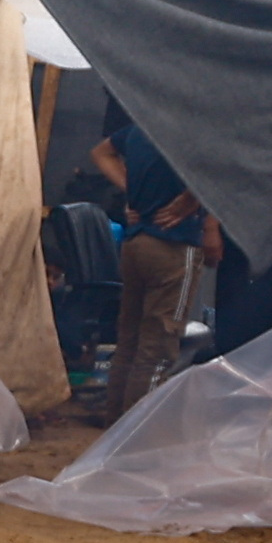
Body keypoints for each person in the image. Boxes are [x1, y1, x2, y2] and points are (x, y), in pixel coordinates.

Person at [94, 112, 218, 416]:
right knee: (158, 348)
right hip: (172, 245)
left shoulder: (142, 127)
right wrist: (194, 199)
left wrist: (132, 190)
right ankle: (134, 435)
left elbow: (100, 152)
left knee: (130, 341)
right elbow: (221, 172)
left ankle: (115, 424)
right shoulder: (198, 133)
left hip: (136, 244)